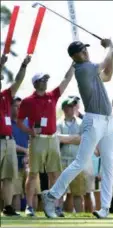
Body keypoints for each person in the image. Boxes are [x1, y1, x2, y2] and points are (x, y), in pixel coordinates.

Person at [41, 39, 113, 219]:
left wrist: (112, 51)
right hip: (93, 120)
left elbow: (108, 74)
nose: (86, 53)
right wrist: (109, 48)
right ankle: (51, 196)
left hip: (108, 120)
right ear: (76, 56)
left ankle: (105, 208)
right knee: (80, 162)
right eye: (83, 51)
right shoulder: (83, 69)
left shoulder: (90, 69)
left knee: (109, 165)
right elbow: (104, 63)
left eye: (85, 50)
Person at [17, 63, 74, 217]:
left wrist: (73, 64)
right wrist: (30, 131)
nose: (45, 82)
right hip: (37, 140)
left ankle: (55, 207)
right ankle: (29, 207)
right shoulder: (27, 101)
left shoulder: (52, 95)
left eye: (46, 80)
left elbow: (66, 80)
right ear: (35, 83)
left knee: (54, 174)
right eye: (42, 80)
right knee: (33, 174)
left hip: (53, 139)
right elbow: (19, 121)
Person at [0, 54, 31, 216]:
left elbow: (17, 81)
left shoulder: (5, 96)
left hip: (9, 141)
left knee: (9, 176)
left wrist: (23, 66)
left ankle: (8, 207)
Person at [10, 97, 41, 212]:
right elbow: (9, 142)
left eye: (20, 106)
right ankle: (17, 218)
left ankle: (35, 218)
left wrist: (28, 156)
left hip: (30, 162)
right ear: (10, 107)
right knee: (16, 193)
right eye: (16, 106)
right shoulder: (6, 122)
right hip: (13, 162)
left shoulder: (27, 122)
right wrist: (25, 151)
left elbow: (33, 140)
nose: (19, 109)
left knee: (34, 192)